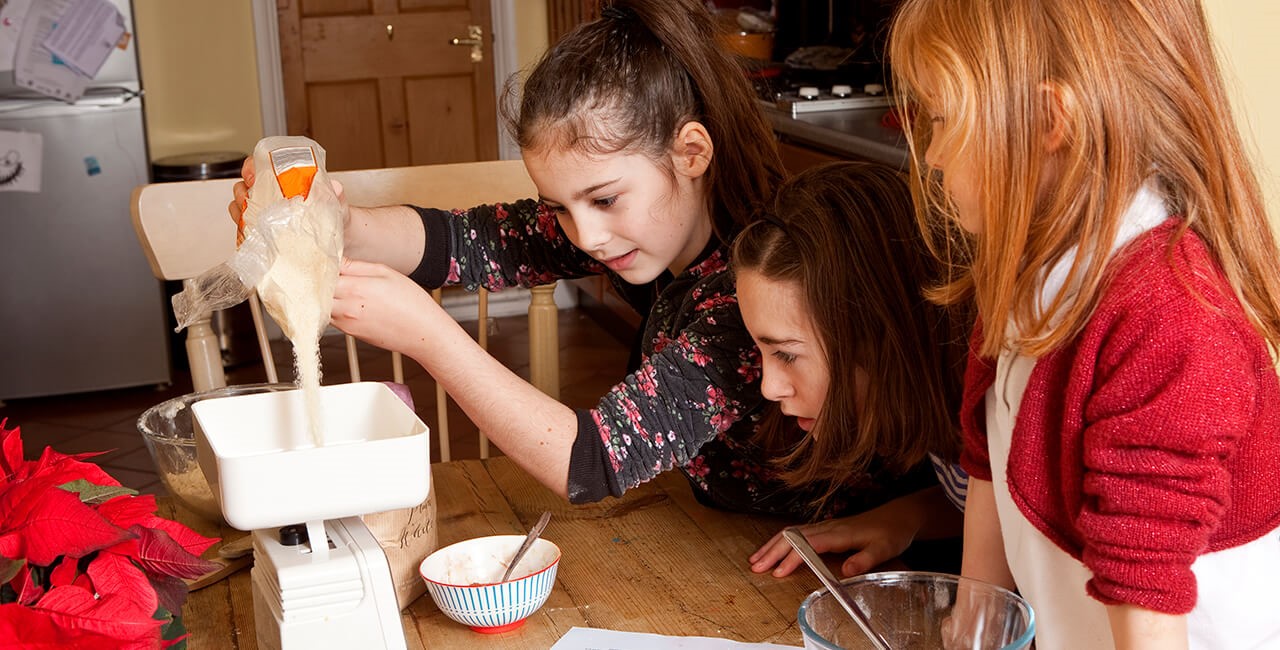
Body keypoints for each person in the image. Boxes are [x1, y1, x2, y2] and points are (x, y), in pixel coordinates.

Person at [231, 0, 934, 526]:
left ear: (691, 154)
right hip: (710, 524)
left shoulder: (746, 300)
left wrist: (428, 337)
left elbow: (589, 461)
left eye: (602, 199)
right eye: (561, 207)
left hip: (798, 550)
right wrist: (336, 224)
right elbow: (464, 243)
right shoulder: (645, 227)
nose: (585, 235)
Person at [888, 0, 1280, 648]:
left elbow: (1144, 589)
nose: (930, 155)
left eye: (941, 120)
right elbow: (988, 453)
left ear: (1049, 120)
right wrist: (970, 634)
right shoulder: (1025, 267)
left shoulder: (1173, 319)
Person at [733, 162, 971, 579]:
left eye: (787, 354)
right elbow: (986, 507)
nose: (769, 387)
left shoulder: (994, 406)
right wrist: (909, 515)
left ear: (878, 335)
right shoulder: (941, 404)